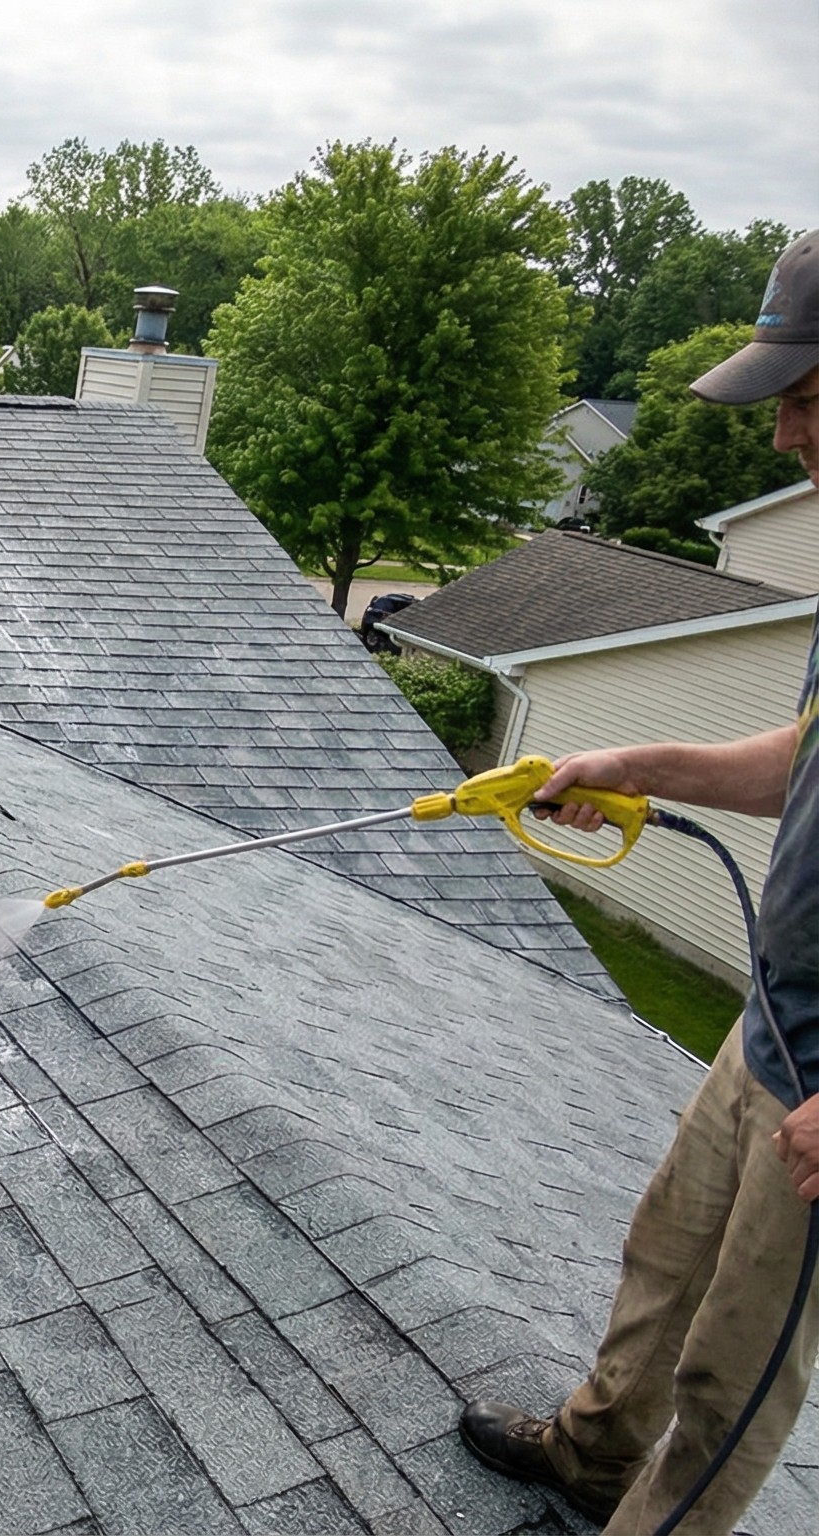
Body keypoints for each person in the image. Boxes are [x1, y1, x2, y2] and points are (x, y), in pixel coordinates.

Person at [459, 228, 819, 1535]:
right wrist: (640, 760)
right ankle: (594, 1453)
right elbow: (804, 758)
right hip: (776, 1017)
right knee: (664, 1262)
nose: (785, 436)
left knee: (733, 1386)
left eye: (810, 399)